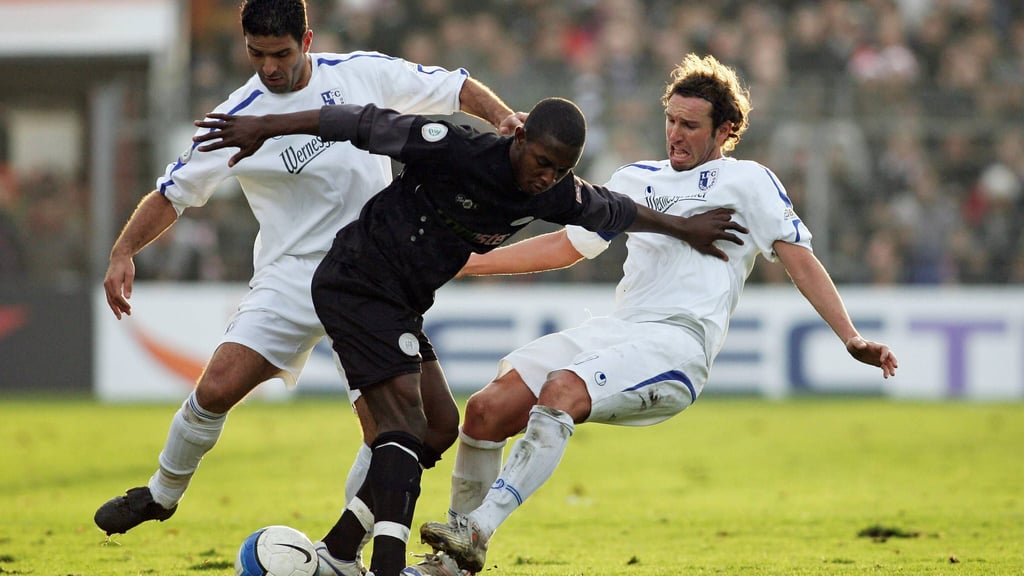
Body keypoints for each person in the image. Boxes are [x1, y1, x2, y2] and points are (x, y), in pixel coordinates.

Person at [191, 96, 747, 576]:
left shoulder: (552, 193)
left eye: (560, 170)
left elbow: (618, 210)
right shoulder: (454, 147)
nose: (546, 178)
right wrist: (266, 126)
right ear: (519, 135)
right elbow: (359, 122)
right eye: (541, 162)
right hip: (356, 281)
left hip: (401, 303)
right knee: (404, 427)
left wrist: (685, 228)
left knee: (439, 427)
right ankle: (384, 565)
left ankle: (338, 552)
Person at [416, 53, 899, 575]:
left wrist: (849, 337)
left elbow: (800, 261)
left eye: (690, 125)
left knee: (562, 388)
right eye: (670, 120)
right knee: (486, 409)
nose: (675, 134)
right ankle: (449, 566)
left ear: (726, 130)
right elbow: (567, 247)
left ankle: (478, 529)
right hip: (618, 331)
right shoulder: (634, 178)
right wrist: (468, 263)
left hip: (678, 345)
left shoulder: (750, 182)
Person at [93, 0, 528, 546]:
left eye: (281, 53)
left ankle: (344, 548)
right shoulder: (237, 116)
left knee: (395, 431)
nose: (269, 67)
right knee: (216, 388)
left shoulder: (360, 73)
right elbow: (172, 193)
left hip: (373, 275)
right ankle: (161, 494)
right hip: (291, 278)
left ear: (308, 40)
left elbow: (454, 86)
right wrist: (123, 251)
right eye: (257, 54)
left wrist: (506, 119)